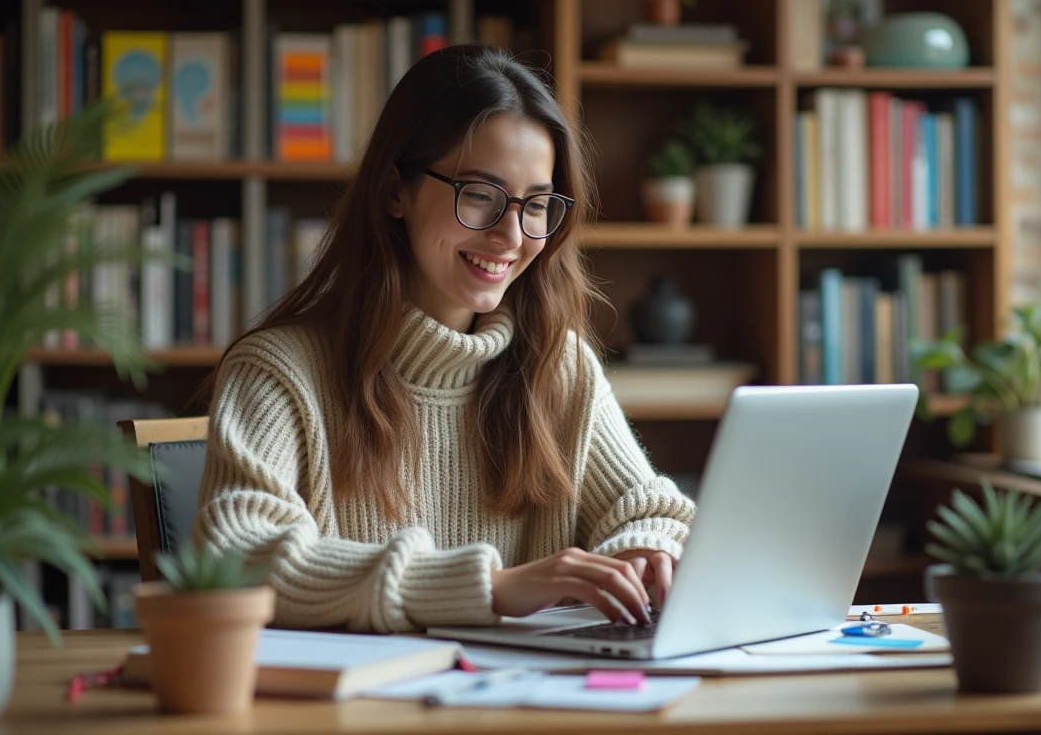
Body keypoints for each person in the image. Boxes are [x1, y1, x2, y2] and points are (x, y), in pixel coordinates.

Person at [194, 44, 696, 634]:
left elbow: (649, 511)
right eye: (479, 195)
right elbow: (239, 556)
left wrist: (645, 549)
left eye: (536, 205)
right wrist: (489, 587)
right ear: (395, 192)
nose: (511, 235)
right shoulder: (280, 371)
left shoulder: (557, 366)